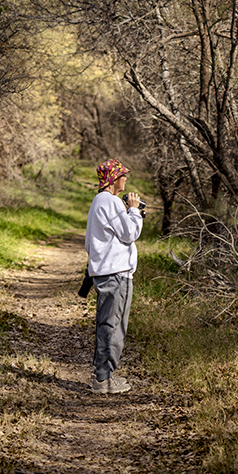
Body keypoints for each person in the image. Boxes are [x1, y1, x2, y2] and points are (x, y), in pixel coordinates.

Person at [85, 158, 143, 394]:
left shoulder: (100, 202)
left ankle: (105, 377)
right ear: (114, 179)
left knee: (109, 324)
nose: (126, 179)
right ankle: (102, 379)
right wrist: (134, 211)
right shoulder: (110, 202)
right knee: (113, 326)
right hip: (116, 274)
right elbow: (130, 233)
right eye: (123, 175)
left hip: (107, 272)